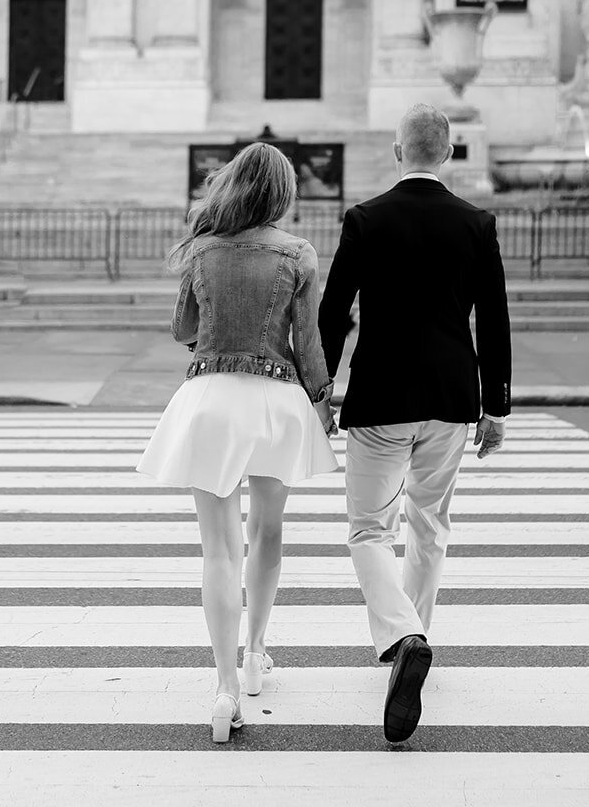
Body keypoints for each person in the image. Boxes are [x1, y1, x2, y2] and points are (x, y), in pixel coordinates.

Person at [318, 103, 512, 744]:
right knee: (430, 524)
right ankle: (414, 639)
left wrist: (320, 389)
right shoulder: (476, 223)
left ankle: (405, 637)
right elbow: (495, 321)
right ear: (448, 155)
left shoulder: (366, 220)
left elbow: (332, 312)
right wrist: (496, 404)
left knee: (369, 528)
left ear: (397, 153)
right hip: (451, 397)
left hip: (381, 396)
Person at [136, 142, 338, 742]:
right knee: (267, 533)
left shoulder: (201, 249)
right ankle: (255, 653)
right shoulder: (298, 253)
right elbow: (309, 344)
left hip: (211, 397)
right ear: (282, 193)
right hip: (275, 399)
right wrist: (322, 400)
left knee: (217, 549)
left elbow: (183, 329)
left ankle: (225, 688)